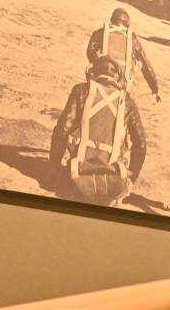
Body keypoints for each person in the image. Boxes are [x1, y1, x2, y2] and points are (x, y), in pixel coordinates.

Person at [47, 55, 146, 207]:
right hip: (114, 182)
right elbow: (141, 144)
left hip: (77, 177)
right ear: (118, 77)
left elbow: (62, 132)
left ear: (93, 73)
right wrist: (131, 176)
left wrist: (53, 168)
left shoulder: (81, 90)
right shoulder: (127, 102)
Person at [86, 8, 160, 102]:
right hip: (122, 82)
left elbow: (90, 52)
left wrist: (98, 62)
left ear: (112, 20)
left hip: (100, 75)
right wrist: (155, 89)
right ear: (127, 24)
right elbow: (146, 66)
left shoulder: (101, 32)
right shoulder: (132, 39)